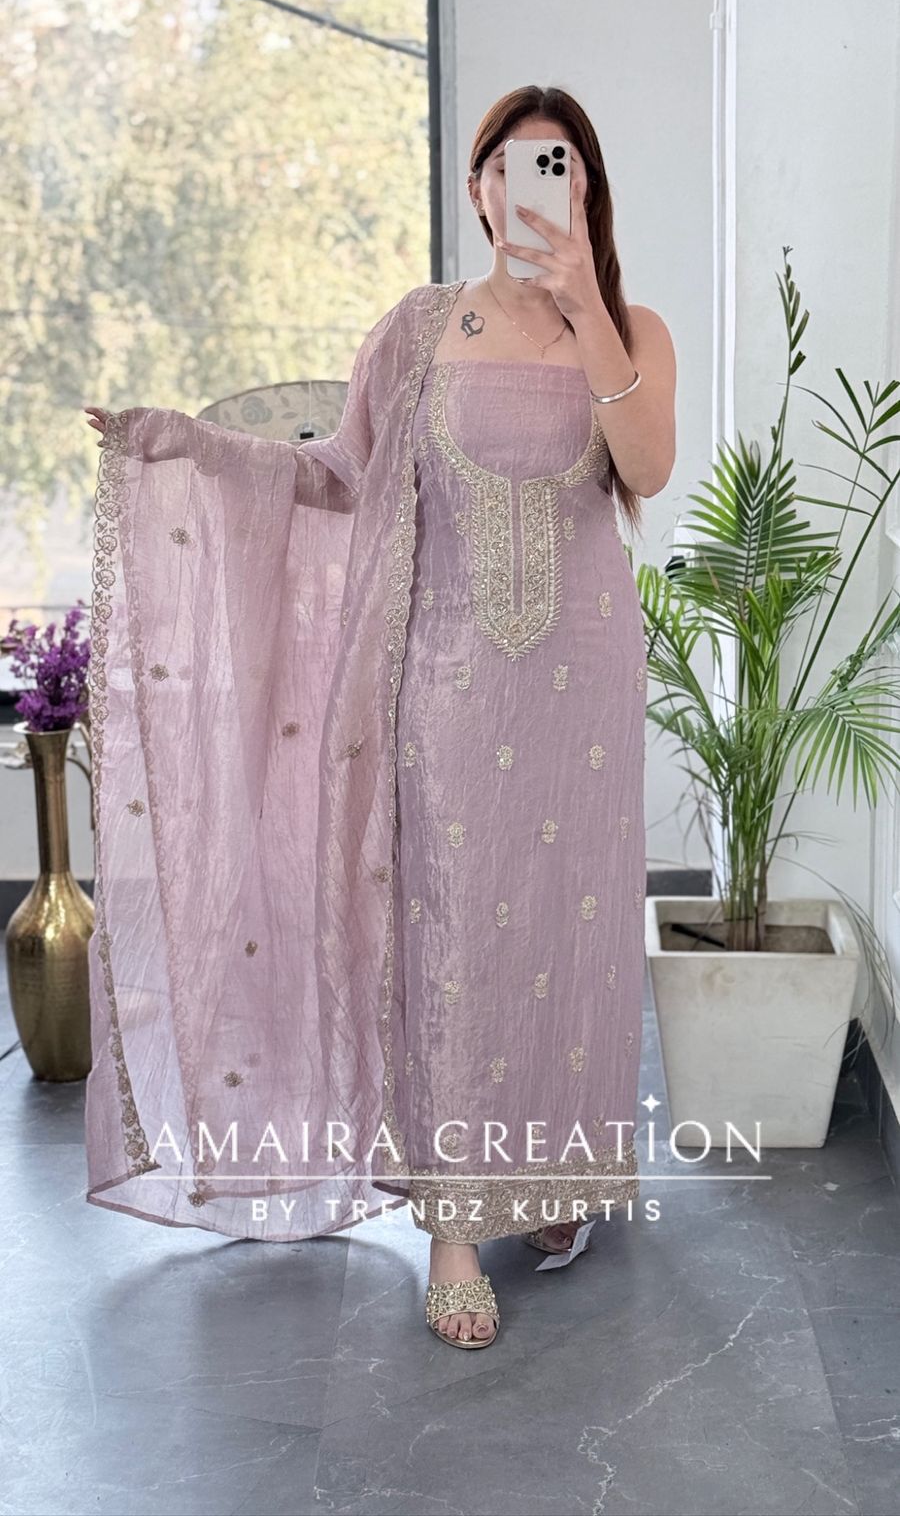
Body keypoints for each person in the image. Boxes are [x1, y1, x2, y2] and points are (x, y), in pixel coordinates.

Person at [83, 83, 676, 1351]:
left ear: (588, 190)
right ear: (477, 189)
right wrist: (188, 449)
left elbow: (647, 468)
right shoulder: (417, 332)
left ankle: (548, 1175)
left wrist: (584, 305)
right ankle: (454, 1225)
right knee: (453, 931)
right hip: (446, 684)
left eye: (559, 168)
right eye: (511, 167)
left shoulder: (631, 331)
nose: (532, 188)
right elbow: (340, 476)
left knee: (568, 927)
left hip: (582, 690)